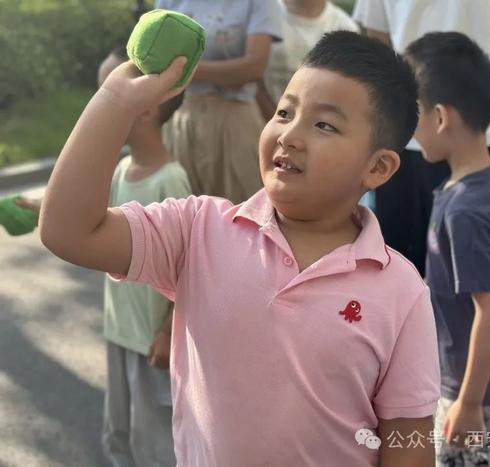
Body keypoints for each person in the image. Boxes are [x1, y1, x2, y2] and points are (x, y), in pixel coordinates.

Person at [39, 31, 440, 466]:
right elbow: (69, 230)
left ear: (377, 166)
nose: (289, 134)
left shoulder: (401, 292)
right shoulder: (198, 229)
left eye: (324, 124)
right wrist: (115, 100)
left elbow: (410, 442)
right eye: (285, 112)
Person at [22, 48, 192, 466]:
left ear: (148, 110)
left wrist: (169, 331)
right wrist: (34, 204)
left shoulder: (171, 180)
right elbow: (87, 215)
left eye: (109, 94)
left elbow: (189, 266)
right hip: (119, 330)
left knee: (154, 440)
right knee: (118, 430)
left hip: (151, 339)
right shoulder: (119, 170)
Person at [352, 0, 490, 275]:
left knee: (468, 282)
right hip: (398, 142)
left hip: (474, 143)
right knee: (392, 276)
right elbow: (378, 40)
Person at [405, 32, 490, 467]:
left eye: (411, 115)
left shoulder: (466, 209)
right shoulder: (485, 181)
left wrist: (468, 404)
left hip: (472, 391)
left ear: (439, 117)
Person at [155, 0, 283, 202]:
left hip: (235, 122)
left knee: (239, 212)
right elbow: (156, 59)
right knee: (181, 215)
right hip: (181, 120)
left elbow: (254, 67)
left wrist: (182, 70)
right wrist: (227, 73)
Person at [256, 0, 359, 121]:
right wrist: (276, 119)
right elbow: (252, 75)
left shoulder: (346, 27)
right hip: (257, 121)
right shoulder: (263, 14)